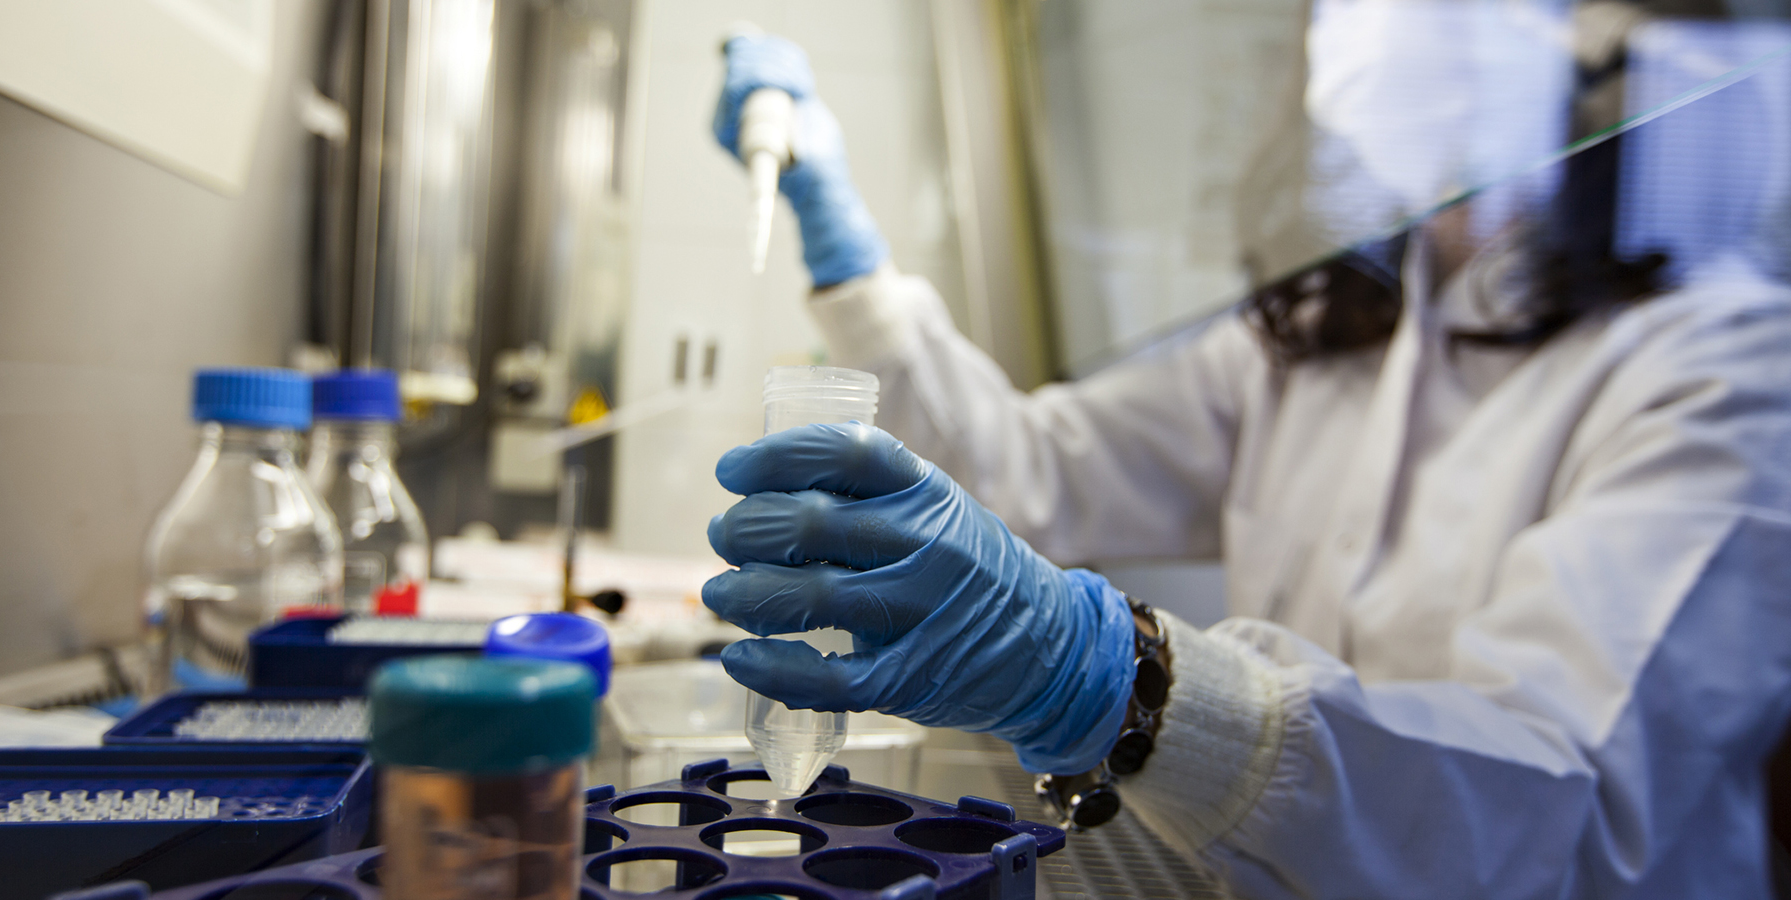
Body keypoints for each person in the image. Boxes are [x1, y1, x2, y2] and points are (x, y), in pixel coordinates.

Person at [700, 14, 1791, 898]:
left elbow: (1552, 816)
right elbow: (1028, 471)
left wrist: (1121, 681)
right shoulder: (1335, 324)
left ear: (1586, 42)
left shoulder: (1724, 367)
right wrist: (852, 265)